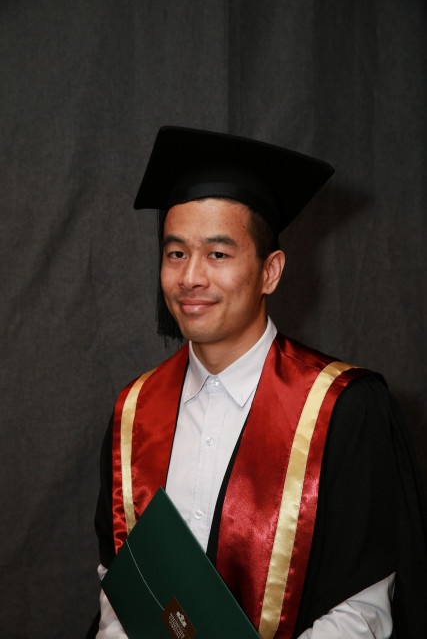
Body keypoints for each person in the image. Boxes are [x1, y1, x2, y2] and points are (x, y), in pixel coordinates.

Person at [90, 127, 427, 638]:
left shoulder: (342, 408)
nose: (190, 277)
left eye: (218, 255)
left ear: (270, 271)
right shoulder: (134, 412)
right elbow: (122, 585)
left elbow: (364, 610)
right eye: (176, 253)